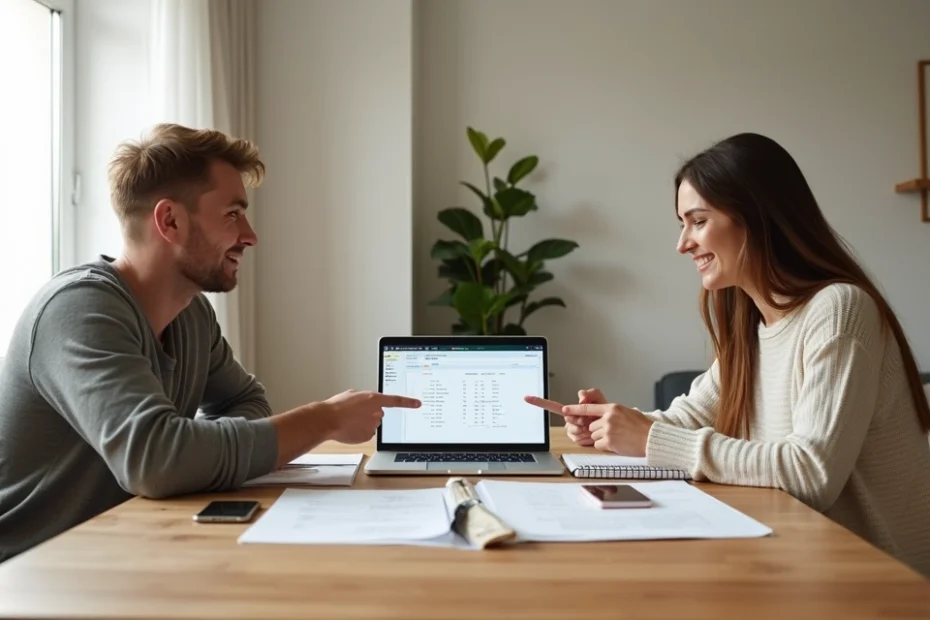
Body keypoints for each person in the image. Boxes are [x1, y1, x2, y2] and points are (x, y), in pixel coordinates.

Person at [0, 123, 421, 563]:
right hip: (30, 575)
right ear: (170, 221)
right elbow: (156, 461)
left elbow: (244, 399)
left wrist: (197, 453)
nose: (250, 235)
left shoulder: (191, 314)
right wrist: (326, 419)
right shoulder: (79, 310)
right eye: (232, 214)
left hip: (122, 553)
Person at [527, 133, 930, 577]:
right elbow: (688, 417)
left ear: (756, 218)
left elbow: (811, 473)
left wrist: (647, 438)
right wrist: (612, 423)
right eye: (682, 223)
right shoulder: (753, 326)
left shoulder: (839, 310)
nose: (683, 243)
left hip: (875, 577)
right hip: (797, 555)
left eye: (698, 221)